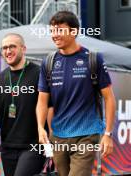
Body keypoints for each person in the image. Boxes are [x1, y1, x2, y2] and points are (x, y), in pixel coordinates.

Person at [36, 11, 116, 176]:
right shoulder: (48, 62)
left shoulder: (94, 59)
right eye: (52, 30)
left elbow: (109, 98)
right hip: (58, 136)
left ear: (74, 32)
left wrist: (108, 134)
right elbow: (42, 101)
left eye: (59, 30)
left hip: (87, 135)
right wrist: (40, 127)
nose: (54, 35)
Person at [0, 33, 48, 176]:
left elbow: (49, 107)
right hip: (8, 146)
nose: (8, 51)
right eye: (4, 48)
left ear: (23, 49)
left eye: (12, 46)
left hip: (33, 145)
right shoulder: (0, 78)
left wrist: (51, 142)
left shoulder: (38, 74)